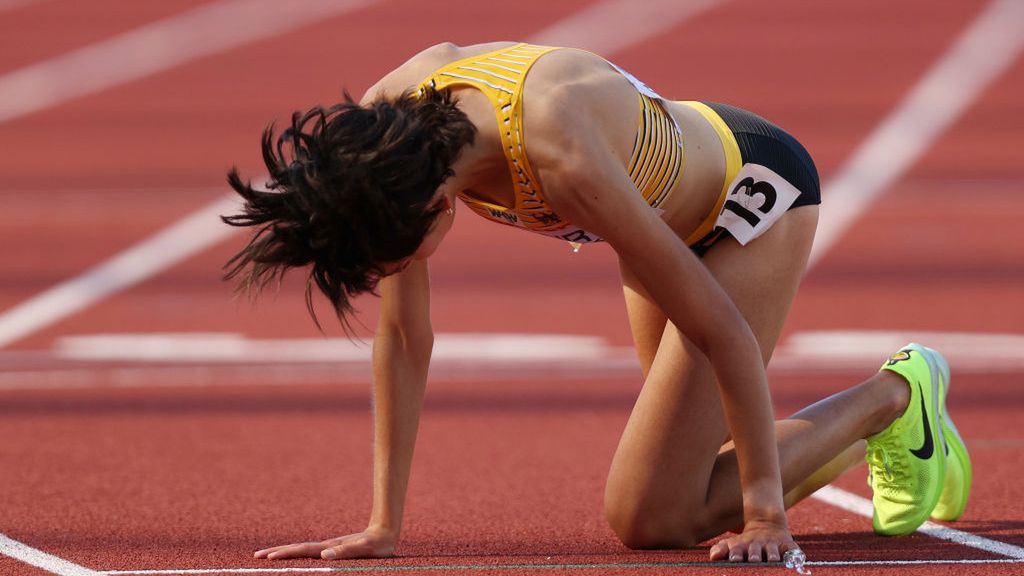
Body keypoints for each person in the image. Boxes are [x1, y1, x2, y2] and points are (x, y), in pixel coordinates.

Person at [222, 42, 971, 564]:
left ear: (428, 204)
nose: (397, 275)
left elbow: (723, 328)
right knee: (688, 476)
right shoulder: (389, 132)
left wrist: (766, 516)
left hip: (750, 205)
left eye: (397, 260)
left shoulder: (558, 154)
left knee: (651, 516)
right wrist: (383, 524)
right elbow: (406, 340)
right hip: (659, 213)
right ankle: (866, 429)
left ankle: (898, 396)